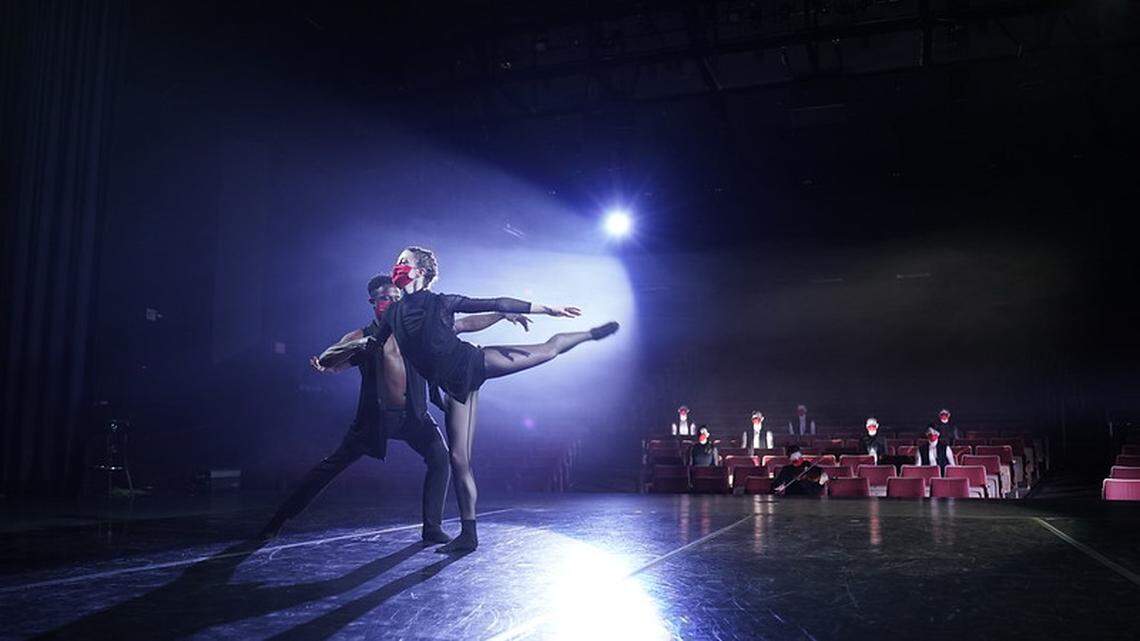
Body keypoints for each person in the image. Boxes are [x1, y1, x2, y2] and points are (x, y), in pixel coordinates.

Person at [377, 246, 620, 552]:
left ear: (421, 271)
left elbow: (491, 303)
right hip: (452, 387)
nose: (397, 266)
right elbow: (388, 346)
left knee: (547, 350)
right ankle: (469, 534)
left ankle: (589, 334)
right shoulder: (395, 313)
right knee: (458, 459)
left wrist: (547, 309)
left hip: (473, 363)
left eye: (404, 261)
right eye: (397, 261)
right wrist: (333, 359)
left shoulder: (441, 302)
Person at [258, 275, 521, 543]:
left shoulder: (418, 332)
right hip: (375, 419)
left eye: (397, 297)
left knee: (440, 459)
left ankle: (432, 528)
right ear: (373, 302)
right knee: (330, 467)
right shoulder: (363, 337)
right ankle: (278, 520)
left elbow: (463, 324)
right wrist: (329, 364)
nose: (393, 302)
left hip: (415, 417)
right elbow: (335, 361)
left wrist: (500, 314)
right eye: (386, 298)